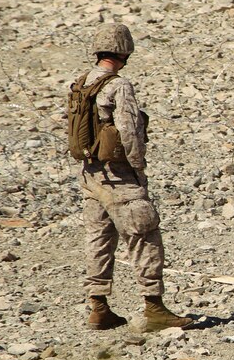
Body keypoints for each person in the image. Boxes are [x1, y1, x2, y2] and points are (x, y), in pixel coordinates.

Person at [67, 24, 191, 332]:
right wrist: (137, 170)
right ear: (125, 52)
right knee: (144, 235)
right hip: (119, 176)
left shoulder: (82, 83)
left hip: (90, 175)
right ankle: (154, 308)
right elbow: (130, 131)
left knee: (98, 239)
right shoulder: (118, 86)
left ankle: (98, 308)